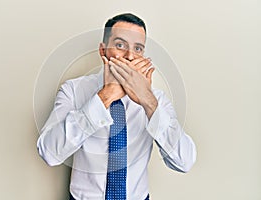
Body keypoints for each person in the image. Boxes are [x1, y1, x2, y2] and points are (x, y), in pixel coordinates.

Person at [37, 13, 196, 200]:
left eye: (138, 48)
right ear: (103, 51)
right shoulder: (73, 90)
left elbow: (184, 162)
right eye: (120, 45)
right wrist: (105, 96)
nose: (129, 56)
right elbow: (49, 152)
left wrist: (148, 102)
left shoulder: (155, 100)